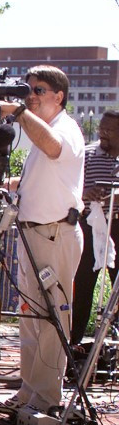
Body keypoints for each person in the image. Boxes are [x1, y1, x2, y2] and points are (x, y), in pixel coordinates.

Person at [0, 65, 84, 416]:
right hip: (33, 234)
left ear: (59, 96)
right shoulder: (40, 131)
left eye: (39, 90)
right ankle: (29, 389)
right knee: (31, 317)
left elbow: (53, 149)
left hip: (55, 233)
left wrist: (17, 112)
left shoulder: (65, 128)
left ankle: (46, 398)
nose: (31, 95)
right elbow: (44, 176)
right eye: (27, 89)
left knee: (52, 319)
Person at [71, 110, 119, 345]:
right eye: (102, 128)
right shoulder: (88, 154)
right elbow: (71, 189)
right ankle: (73, 343)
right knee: (82, 285)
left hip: (118, 226)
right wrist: (85, 194)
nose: (103, 133)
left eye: (110, 130)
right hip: (91, 226)